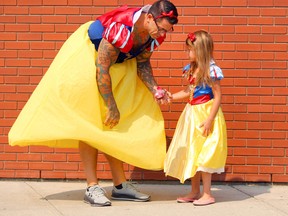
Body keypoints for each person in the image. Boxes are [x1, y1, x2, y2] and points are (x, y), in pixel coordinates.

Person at [8, 0, 178, 207]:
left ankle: (120, 185)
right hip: (89, 59)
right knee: (90, 120)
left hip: (119, 64)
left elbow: (142, 62)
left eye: (166, 30)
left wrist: (155, 89)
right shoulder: (121, 28)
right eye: (160, 29)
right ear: (150, 17)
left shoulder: (154, 34)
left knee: (116, 123)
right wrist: (111, 104)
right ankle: (91, 186)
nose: (162, 34)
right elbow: (102, 68)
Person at [164, 30, 227, 206]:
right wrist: (170, 97)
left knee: (204, 154)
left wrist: (210, 120)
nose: (187, 53)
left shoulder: (211, 70)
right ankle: (194, 191)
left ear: (200, 50)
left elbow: (218, 96)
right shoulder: (192, 68)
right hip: (191, 114)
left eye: (189, 50)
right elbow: (188, 91)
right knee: (191, 152)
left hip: (206, 114)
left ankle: (207, 194)